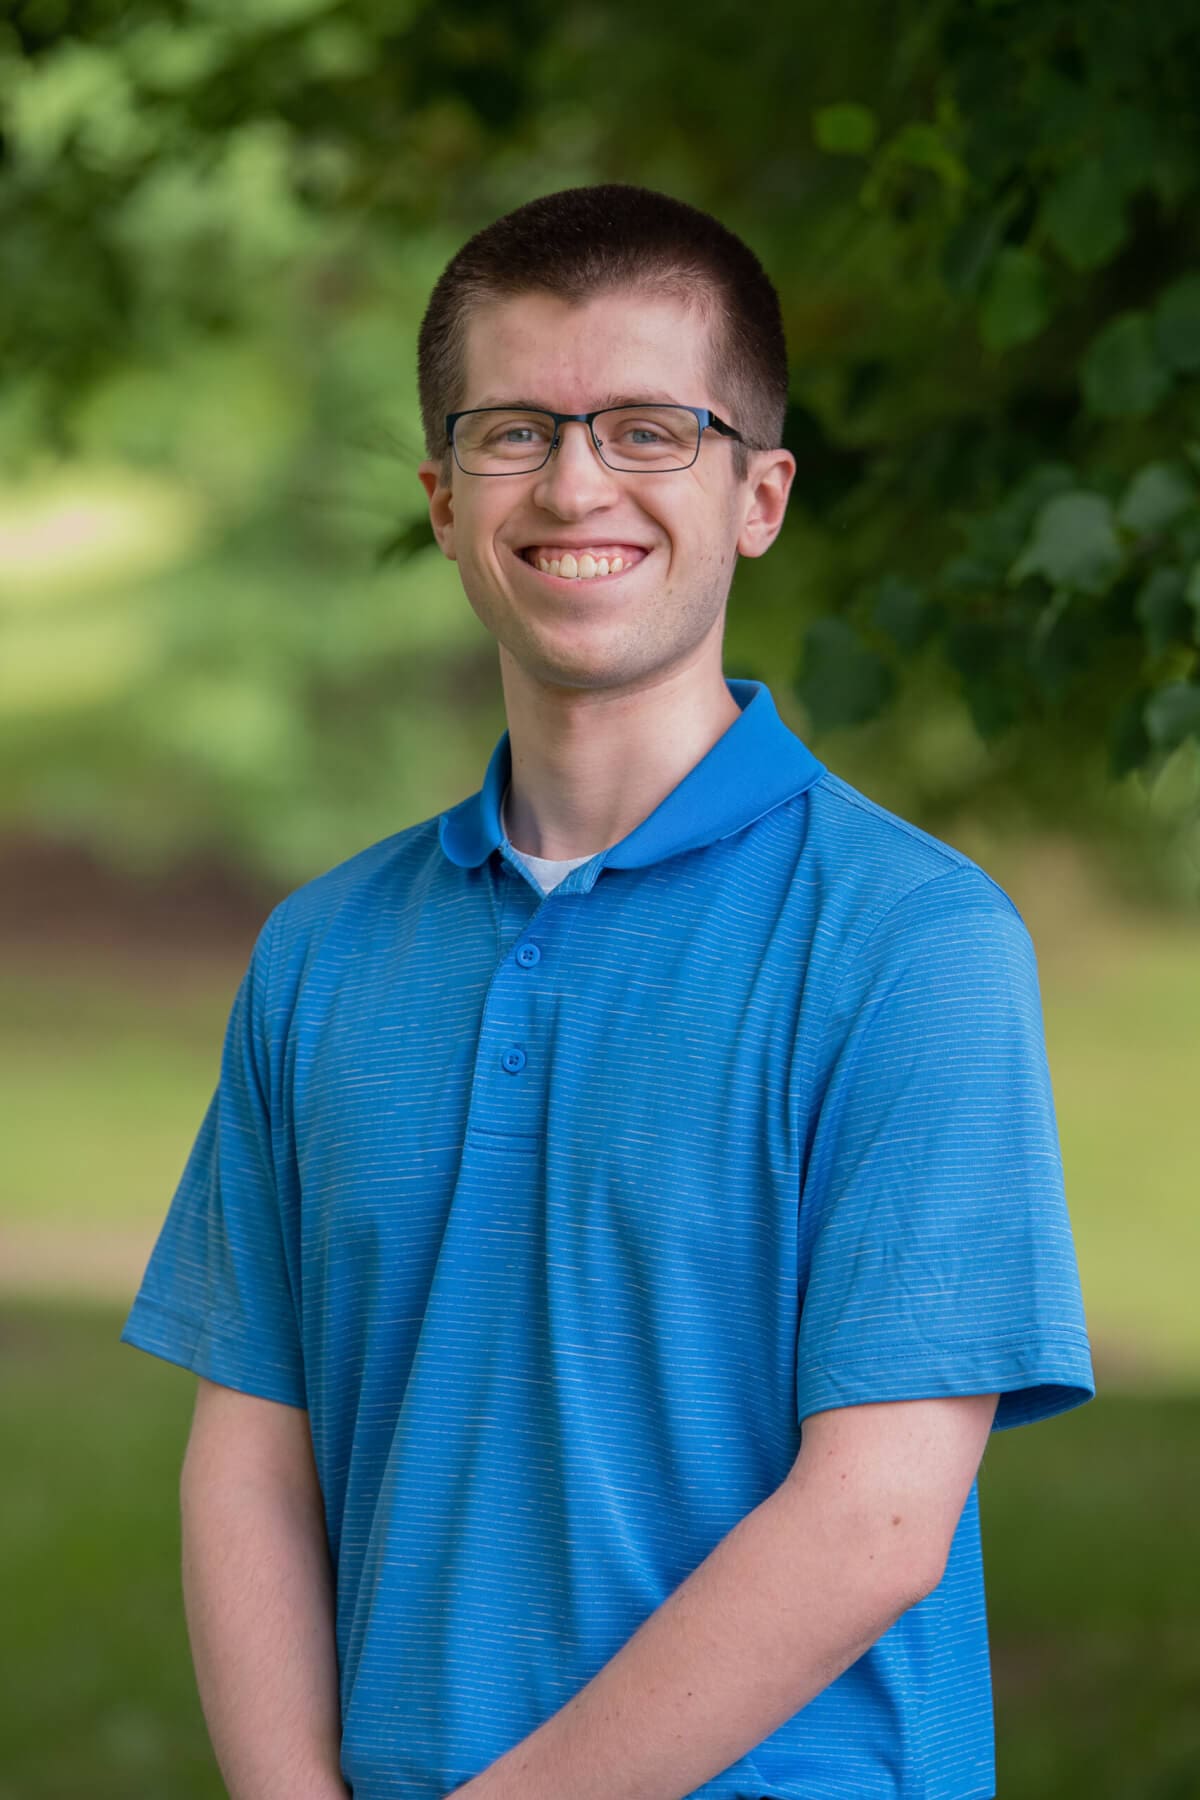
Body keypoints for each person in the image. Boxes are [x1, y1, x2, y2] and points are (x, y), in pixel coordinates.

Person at [120, 183, 1096, 1800]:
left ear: (759, 494)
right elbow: (250, 1456)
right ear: (441, 498)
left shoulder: (912, 942)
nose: (576, 481)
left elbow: (880, 1519)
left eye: (651, 427)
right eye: (515, 432)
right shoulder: (322, 954)